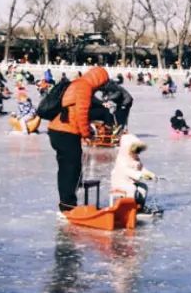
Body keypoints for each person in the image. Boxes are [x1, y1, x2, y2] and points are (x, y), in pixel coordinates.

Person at [46, 66, 111, 212]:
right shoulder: (84, 87)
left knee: (67, 169)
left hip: (59, 130)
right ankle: (68, 205)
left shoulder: (78, 84)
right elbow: (81, 114)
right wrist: (87, 134)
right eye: (103, 83)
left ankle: (67, 203)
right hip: (66, 132)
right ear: (98, 79)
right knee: (70, 169)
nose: (101, 87)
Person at [111, 134, 156, 206]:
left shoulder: (135, 159)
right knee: (132, 189)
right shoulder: (122, 160)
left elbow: (141, 168)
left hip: (131, 182)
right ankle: (129, 208)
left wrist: (150, 174)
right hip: (120, 183)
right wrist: (141, 175)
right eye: (136, 151)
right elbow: (127, 171)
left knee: (143, 187)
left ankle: (139, 206)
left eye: (138, 151)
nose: (137, 153)